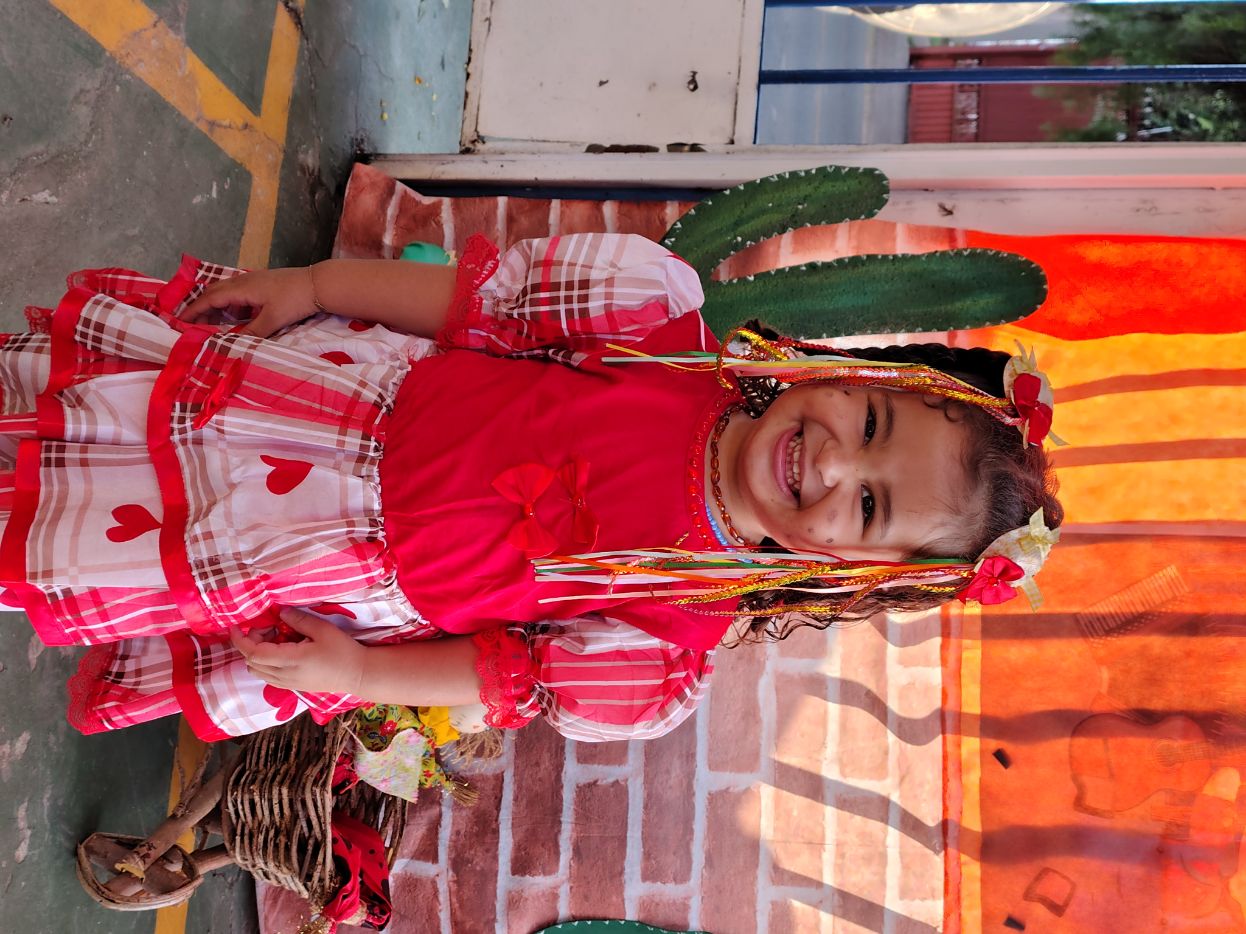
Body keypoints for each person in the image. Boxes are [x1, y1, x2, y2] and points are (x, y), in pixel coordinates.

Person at [0, 232, 1062, 743]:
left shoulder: (672, 637)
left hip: (323, 567)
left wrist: (357, 671)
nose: (831, 462)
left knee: (91, 537)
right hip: (315, 404)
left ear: (849, 569)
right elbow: (474, 306)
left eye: (867, 505)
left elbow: (505, 667)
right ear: (853, 376)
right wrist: (313, 285)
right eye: (870, 424)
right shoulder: (655, 322)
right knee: (82, 417)